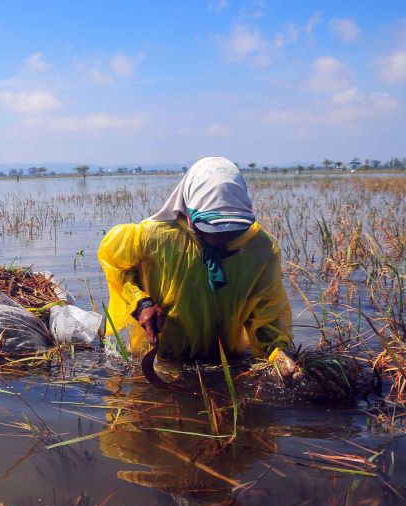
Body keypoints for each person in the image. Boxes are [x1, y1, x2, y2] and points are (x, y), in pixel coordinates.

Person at [98, 156, 300, 377]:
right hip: (163, 356)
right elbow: (117, 266)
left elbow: (266, 312)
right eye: (212, 227)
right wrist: (141, 302)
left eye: (231, 227)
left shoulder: (259, 248)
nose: (222, 236)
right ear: (189, 212)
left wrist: (276, 355)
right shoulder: (154, 237)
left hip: (227, 361)